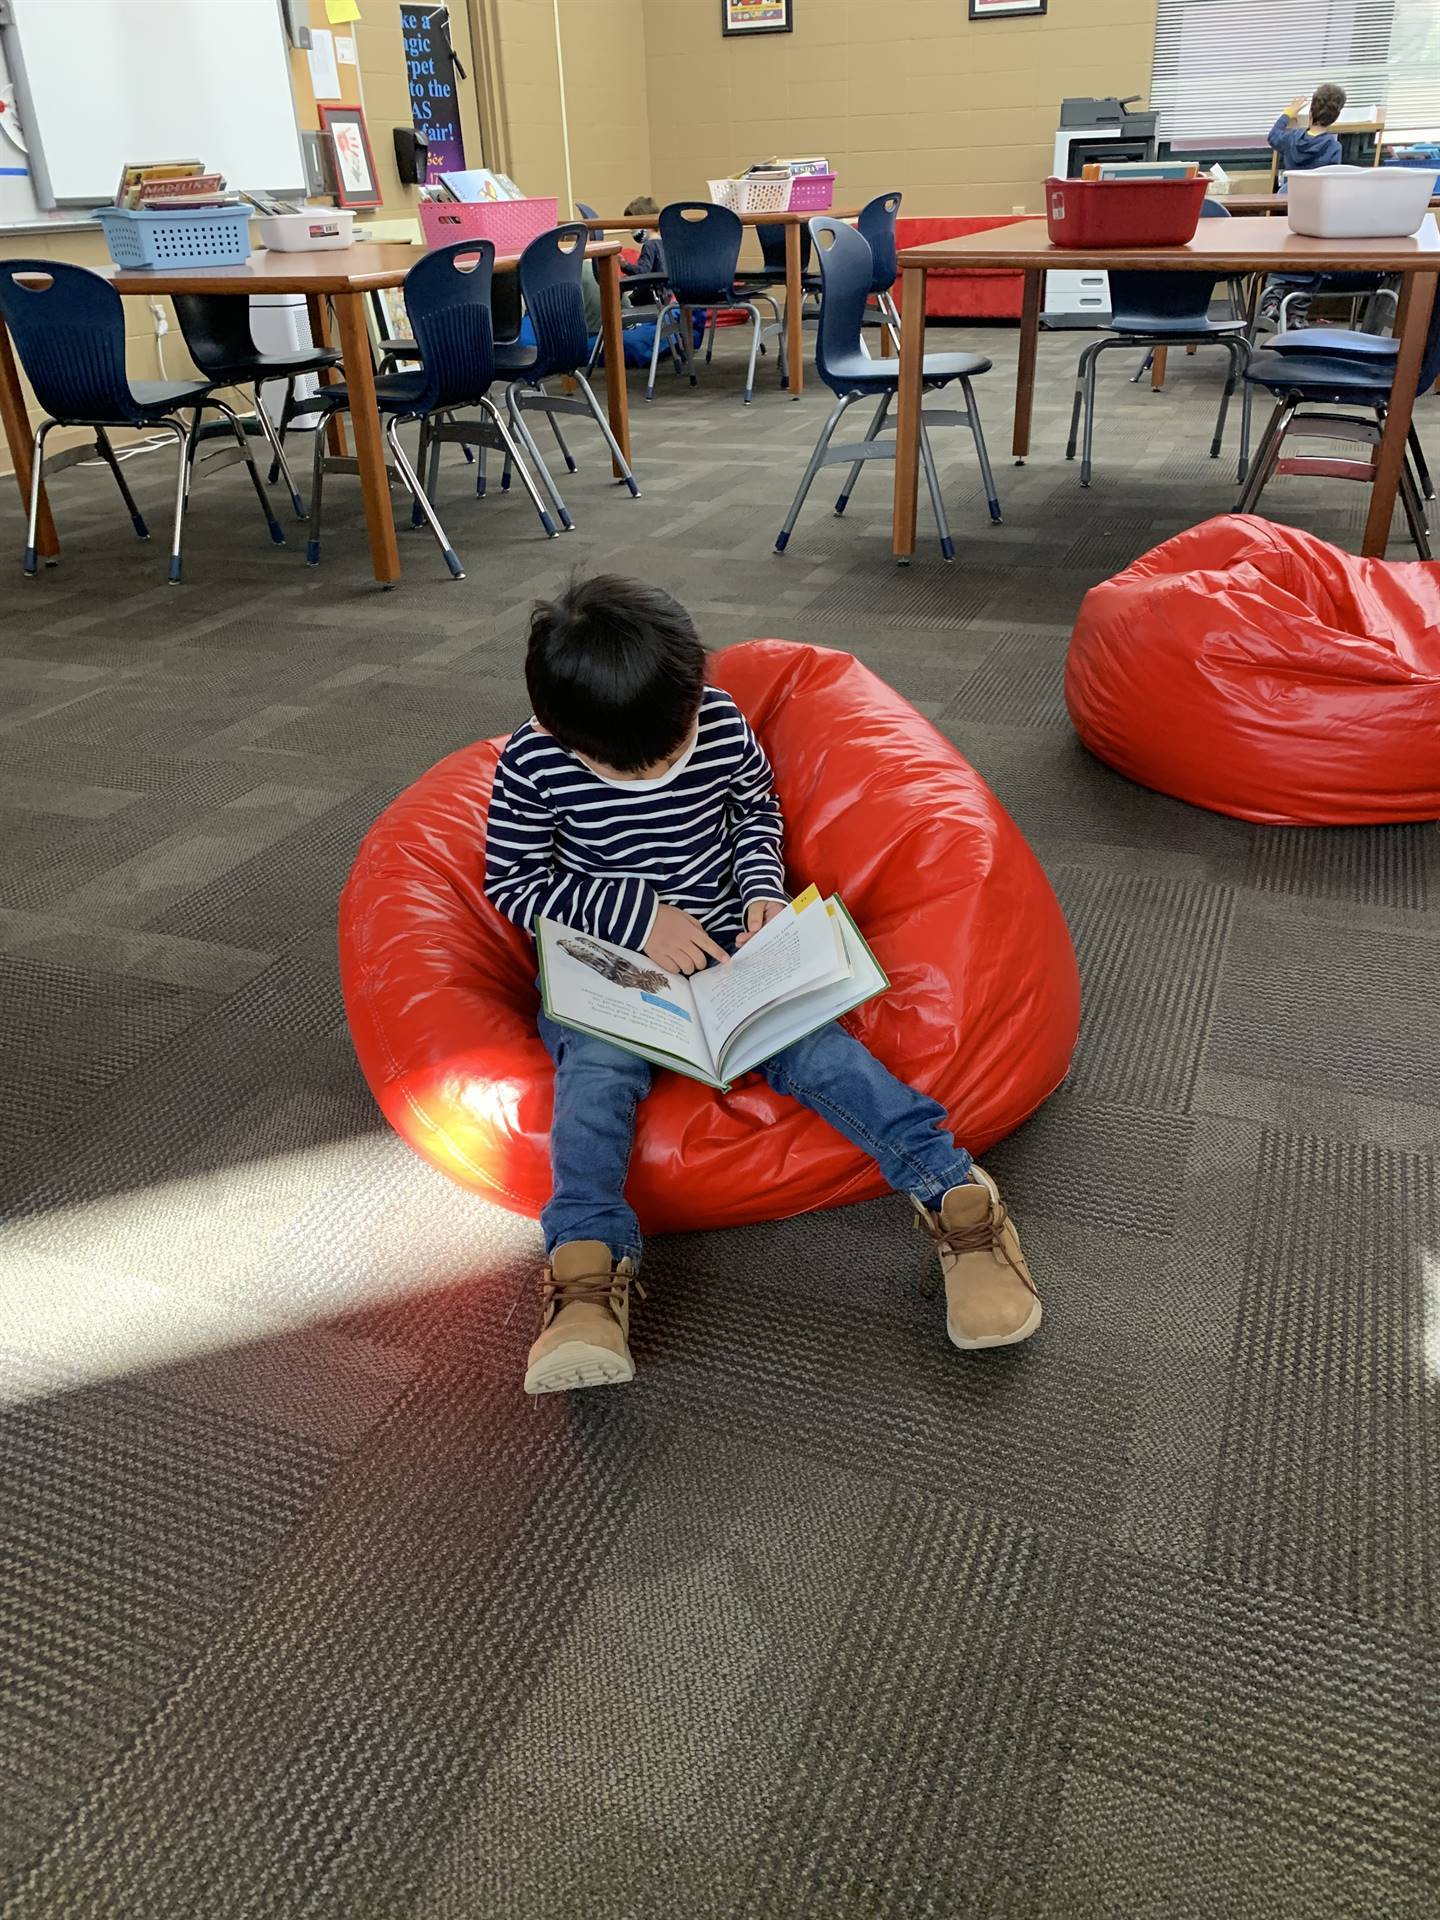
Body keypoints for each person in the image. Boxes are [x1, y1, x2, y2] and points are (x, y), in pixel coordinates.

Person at [483, 576, 1042, 1396]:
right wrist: (637, 918)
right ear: (564, 734)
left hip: (731, 960)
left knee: (823, 1055)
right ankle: (585, 1269)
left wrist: (760, 894)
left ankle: (955, 1195)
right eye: (627, 766)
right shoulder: (534, 763)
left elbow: (753, 815)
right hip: (613, 969)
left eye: (670, 752)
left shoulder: (715, 721)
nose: (661, 770)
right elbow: (514, 883)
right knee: (592, 1083)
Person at [1259, 84, 1347, 328]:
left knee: (1282, 253)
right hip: (1315, 206)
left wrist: (1288, 111)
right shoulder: (1333, 146)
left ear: (1310, 113)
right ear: (1336, 115)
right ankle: (1298, 313)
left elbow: (1272, 136)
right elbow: (1333, 178)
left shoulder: (1292, 138)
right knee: (1312, 260)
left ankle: (1272, 301)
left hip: (1289, 199)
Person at [619, 194, 666, 304]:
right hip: (663, 297)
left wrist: (624, 265)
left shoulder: (650, 245)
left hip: (650, 299)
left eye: (632, 226)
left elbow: (643, 272)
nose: (631, 231)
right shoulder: (663, 243)